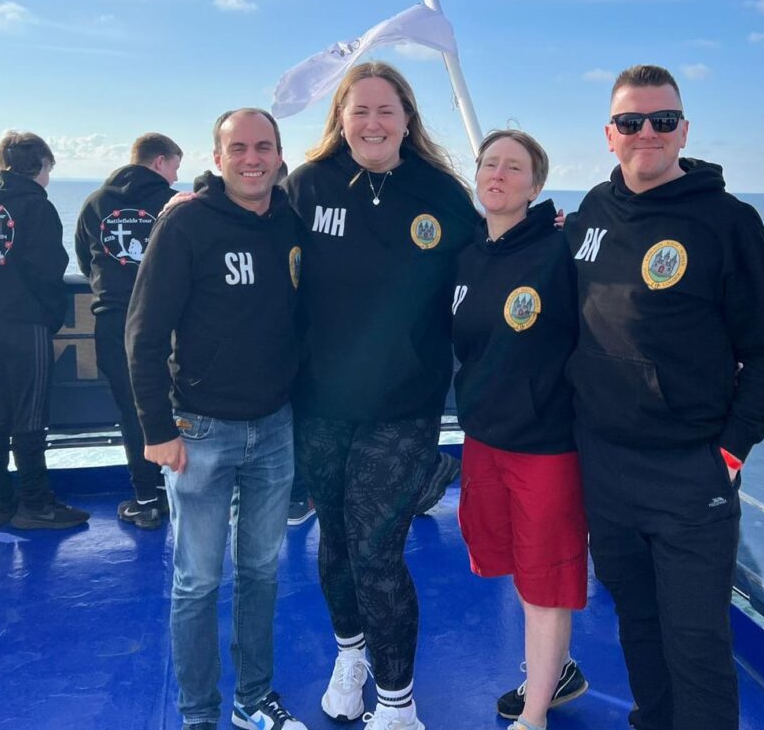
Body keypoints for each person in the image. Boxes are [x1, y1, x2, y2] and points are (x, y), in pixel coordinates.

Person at [564, 65, 764, 730]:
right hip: (606, 465)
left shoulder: (728, 222)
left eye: (662, 120)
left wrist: (730, 451)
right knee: (636, 620)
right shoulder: (590, 215)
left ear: (684, 129)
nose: (648, 133)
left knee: (696, 641)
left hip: (692, 471)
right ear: (610, 135)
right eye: (631, 122)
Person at [283, 61, 478, 730]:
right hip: (321, 403)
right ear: (340, 116)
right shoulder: (306, 186)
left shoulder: (442, 193)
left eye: (385, 110)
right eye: (359, 110)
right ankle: (351, 656)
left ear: (407, 118)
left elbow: (491, 262)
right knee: (334, 537)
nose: (372, 122)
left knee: (376, 546)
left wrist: (549, 238)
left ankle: (397, 703)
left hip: (405, 404)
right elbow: (250, 230)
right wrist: (195, 206)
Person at [127, 108, 308, 730]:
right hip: (200, 432)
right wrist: (158, 430)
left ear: (280, 155)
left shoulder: (292, 220)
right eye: (239, 148)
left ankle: (252, 700)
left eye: (264, 147)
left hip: (276, 427)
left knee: (261, 571)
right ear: (218, 156)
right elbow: (143, 334)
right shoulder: (186, 225)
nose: (252, 158)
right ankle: (199, 714)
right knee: (198, 582)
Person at [450, 129, 589, 730]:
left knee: (546, 582)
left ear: (536, 185)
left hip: (547, 447)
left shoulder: (563, 248)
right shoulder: (466, 253)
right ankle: (555, 669)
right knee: (518, 570)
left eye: (513, 167)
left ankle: (534, 714)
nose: (498, 175)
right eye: (489, 164)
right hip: (484, 439)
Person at [0, 131, 88, 530]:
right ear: (40, 165)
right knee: (30, 414)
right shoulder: (37, 207)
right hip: (25, 322)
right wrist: (49, 315)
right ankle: (35, 503)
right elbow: (48, 268)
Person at [75, 132, 182, 530]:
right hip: (167, 323)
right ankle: (182, 496)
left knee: (133, 413)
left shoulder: (94, 204)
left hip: (113, 321)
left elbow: (87, 261)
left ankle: (146, 499)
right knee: (179, 410)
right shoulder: (171, 204)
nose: (175, 176)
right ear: (159, 162)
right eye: (174, 166)